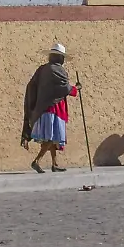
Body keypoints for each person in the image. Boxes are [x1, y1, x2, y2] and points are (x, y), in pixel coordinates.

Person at [22, 42, 81, 173]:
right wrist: (75, 89)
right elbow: (64, 88)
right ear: (60, 58)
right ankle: (36, 161)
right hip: (54, 108)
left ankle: (55, 164)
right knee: (52, 137)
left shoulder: (42, 69)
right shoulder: (58, 70)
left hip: (43, 107)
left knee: (52, 136)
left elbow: (33, 85)